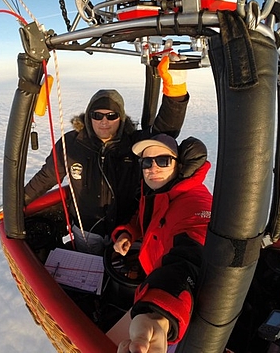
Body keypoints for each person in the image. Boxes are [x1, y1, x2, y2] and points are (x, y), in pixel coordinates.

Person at [24, 54, 189, 255]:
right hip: (86, 231)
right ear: (88, 116)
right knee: (88, 274)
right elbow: (47, 177)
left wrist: (176, 91)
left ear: (120, 118)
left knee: (119, 275)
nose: (104, 121)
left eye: (111, 116)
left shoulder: (134, 143)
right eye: (97, 115)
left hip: (125, 232)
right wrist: (18, 202)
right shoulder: (71, 144)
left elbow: (166, 132)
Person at [107, 133, 213, 352]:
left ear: (179, 165)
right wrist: (129, 233)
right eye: (146, 162)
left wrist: (160, 314)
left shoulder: (194, 201)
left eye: (163, 160)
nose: (152, 168)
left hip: (182, 303)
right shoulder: (157, 190)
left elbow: (192, 253)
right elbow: (144, 216)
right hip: (152, 272)